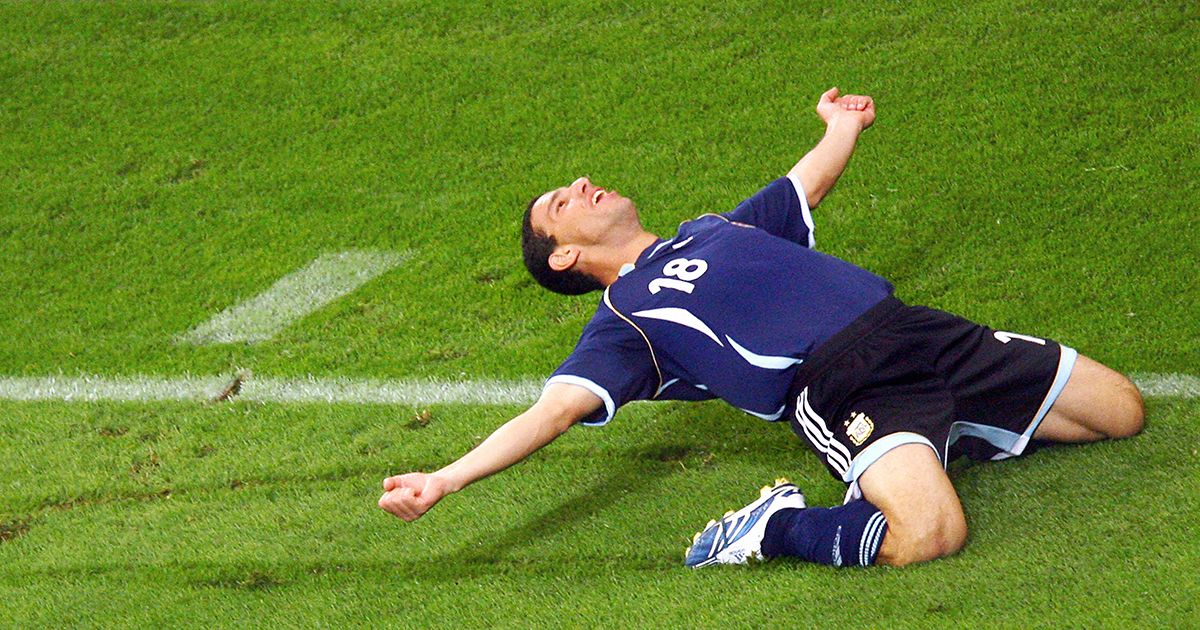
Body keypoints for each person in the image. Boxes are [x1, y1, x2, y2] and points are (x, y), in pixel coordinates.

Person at [378, 88, 1145, 569]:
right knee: (931, 536)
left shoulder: (711, 229)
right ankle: (775, 530)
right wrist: (444, 479)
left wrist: (841, 125)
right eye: (560, 203)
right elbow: (551, 412)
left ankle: (955, 433)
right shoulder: (623, 321)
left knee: (1123, 412)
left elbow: (804, 185)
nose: (580, 185)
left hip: (920, 332)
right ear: (569, 254)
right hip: (847, 386)